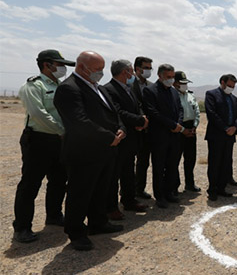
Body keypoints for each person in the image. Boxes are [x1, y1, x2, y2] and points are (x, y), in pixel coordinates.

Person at [54, 51, 125, 251]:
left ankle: (98, 222)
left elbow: (113, 113)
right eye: (97, 70)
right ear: (81, 67)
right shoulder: (68, 89)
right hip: (83, 153)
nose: (100, 73)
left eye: (102, 69)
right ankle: (76, 232)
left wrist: (120, 129)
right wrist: (109, 137)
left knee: (100, 190)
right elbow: (79, 122)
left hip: (105, 151)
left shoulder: (98, 88)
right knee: (80, 193)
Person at [12, 49, 74, 243]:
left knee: (58, 180)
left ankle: (54, 215)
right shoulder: (33, 86)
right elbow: (39, 114)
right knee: (30, 184)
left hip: (59, 141)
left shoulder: (61, 86)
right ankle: (22, 227)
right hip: (39, 140)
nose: (63, 69)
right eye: (60, 64)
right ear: (47, 65)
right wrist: (62, 130)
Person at [103, 60, 148, 221]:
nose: (133, 75)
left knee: (128, 172)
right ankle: (111, 207)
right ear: (125, 72)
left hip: (133, 138)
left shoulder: (129, 88)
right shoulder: (108, 89)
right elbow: (117, 112)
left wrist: (141, 118)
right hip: (120, 138)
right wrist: (138, 121)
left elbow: (138, 106)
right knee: (114, 174)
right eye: (131, 71)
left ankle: (129, 200)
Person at [142, 64, 184, 208]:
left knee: (172, 165)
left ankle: (169, 192)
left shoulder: (173, 92)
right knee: (159, 167)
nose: (171, 80)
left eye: (172, 77)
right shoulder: (150, 91)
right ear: (160, 76)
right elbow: (153, 113)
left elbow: (180, 109)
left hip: (174, 136)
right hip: (159, 136)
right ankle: (159, 196)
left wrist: (178, 124)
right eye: (168, 77)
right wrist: (172, 125)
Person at [204, 74, 237, 201]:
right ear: (222, 82)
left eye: (233, 86)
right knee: (215, 163)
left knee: (226, 163)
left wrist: (234, 127)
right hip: (217, 135)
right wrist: (225, 128)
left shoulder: (234, 99)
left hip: (230, 136)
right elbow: (211, 114)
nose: (231, 88)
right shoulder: (212, 94)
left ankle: (222, 188)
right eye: (229, 85)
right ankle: (212, 189)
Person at [173, 71, 201, 192]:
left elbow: (197, 112)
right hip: (178, 130)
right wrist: (182, 130)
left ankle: (190, 183)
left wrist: (194, 126)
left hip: (191, 129)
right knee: (175, 160)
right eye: (182, 83)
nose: (185, 85)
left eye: (186, 83)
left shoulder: (190, 95)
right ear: (175, 83)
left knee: (190, 159)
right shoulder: (172, 96)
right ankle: (174, 186)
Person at [131, 56, 153, 199]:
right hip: (133, 128)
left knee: (143, 161)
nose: (148, 71)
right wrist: (137, 122)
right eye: (146, 68)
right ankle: (127, 191)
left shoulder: (150, 85)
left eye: (150, 68)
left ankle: (139, 189)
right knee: (127, 163)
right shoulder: (129, 84)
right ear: (137, 69)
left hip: (147, 129)